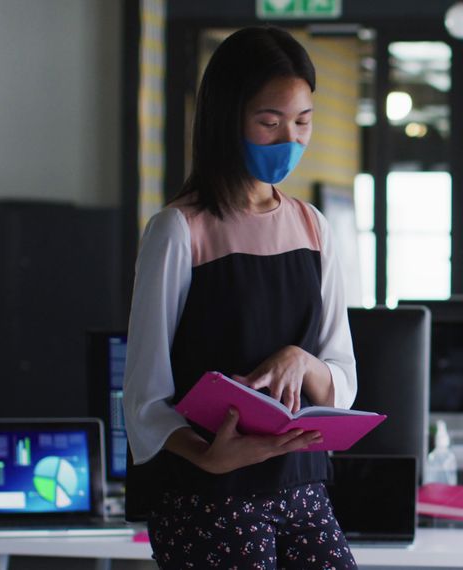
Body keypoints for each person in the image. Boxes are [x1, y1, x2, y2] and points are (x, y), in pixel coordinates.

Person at [122, 27, 358, 569]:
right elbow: (143, 399)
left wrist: (303, 362)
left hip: (303, 485)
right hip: (208, 494)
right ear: (228, 118)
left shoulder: (313, 227)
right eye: (269, 123)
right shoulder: (180, 230)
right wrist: (207, 454)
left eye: (303, 122)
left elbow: (341, 377)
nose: (289, 140)